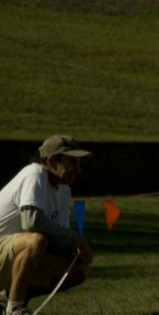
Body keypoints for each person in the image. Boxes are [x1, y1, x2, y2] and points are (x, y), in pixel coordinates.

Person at [0, 135, 94, 315]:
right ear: (52, 160)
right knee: (36, 240)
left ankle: (6, 299)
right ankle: (16, 308)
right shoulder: (35, 174)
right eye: (73, 162)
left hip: (11, 256)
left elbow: (59, 237)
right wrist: (76, 238)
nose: (79, 170)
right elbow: (31, 221)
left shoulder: (64, 190)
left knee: (77, 271)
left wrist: (77, 251)